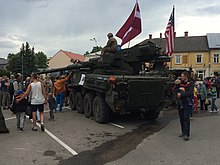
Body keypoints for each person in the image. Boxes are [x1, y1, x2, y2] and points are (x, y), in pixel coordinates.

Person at [177, 71, 194, 141]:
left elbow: (190, 92)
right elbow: (174, 89)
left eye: (182, 76)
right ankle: (183, 131)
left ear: (186, 76)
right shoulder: (180, 83)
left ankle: (187, 134)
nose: (181, 77)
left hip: (187, 102)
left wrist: (181, 94)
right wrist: (179, 89)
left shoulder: (191, 83)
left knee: (186, 118)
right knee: (181, 118)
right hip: (180, 103)